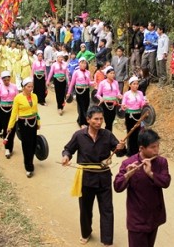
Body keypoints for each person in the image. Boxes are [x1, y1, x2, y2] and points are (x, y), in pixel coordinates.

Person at [61, 106, 125, 247]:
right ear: (88, 119)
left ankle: (107, 240)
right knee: (85, 209)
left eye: (101, 119)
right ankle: (86, 233)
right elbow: (68, 149)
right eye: (96, 119)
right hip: (86, 179)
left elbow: (119, 152)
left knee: (107, 209)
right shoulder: (79, 135)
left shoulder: (107, 135)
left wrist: (121, 147)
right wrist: (66, 157)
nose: (99, 122)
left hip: (104, 178)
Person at [113, 129, 170, 247]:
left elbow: (166, 182)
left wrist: (151, 174)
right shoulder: (128, 163)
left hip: (154, 216)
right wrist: (128, 175)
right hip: (137, 219)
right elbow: (117, 187)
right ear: (141, 148)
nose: (156, 150)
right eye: (152, 147)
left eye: (158, 146)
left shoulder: (161, 162)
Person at [7, 77, 40, 178]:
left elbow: (36, 111)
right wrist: (10, 126)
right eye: (28, 87)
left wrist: (38, 121)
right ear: (23, 87)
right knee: (26, 145)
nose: (31, 89)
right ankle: (28, 167)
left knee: (33, 143)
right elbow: (14, 113)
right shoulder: (18, 98)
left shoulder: (34, 96)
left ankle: (31, 161)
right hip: (23, 123)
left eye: (32, 86)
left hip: (33, 122)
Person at [0, 71, 18, 158]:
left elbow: (18, 99)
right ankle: (7, 148)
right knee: (5, 128)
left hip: (12, 110)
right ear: (2, 80)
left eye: (8, 79)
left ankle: (10, 147)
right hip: (3, 110)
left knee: (12, 129)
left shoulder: (14, 86)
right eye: (5, 80)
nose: (7, 81)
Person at [121, 76, 147, 156]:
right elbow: (123, 105)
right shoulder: (127, 94)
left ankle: (137, 151)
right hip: (130, 115)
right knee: (131, 132)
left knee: (138, 133)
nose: (136, 85)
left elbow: (142, 104)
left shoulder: (140, 93)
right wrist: (124, 106)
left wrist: (146, 102)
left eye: (137, 84)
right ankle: (131, 151)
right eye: (134, 84)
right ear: (130, 85)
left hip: (138, 115)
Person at [67, 58, 92, 128]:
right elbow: (72, 83)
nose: (83, 65)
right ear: (79, 63)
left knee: (86, 105)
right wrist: (69, 93)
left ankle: (79, 119)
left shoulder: (88, 72)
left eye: (85, 63)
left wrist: (93, 83)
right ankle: (82, 123)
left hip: (86, 91)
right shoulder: (76, 72)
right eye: (82, 63)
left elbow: (89, 82)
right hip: (79, 91)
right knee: (81, 107)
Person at [95, 67, 122, 131]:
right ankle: (108, 135)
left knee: (111, 120)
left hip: (114, 104)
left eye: (113, 73)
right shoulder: (102, 83)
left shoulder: (116, 82)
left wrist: (120, 96)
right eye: (111, 73)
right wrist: (101, 98)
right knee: (108, 121)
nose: (113, 75)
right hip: (105, 104)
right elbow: (98, 94)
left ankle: (108, 135)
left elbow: (118, 92)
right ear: (106, 74)